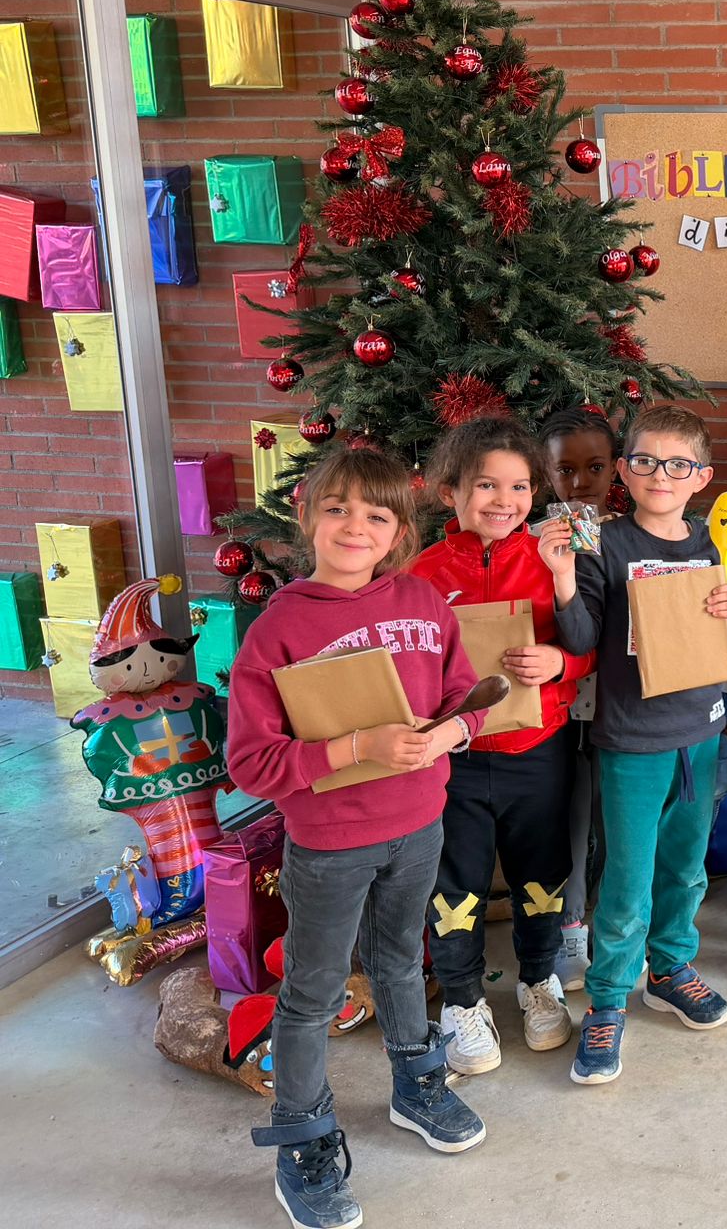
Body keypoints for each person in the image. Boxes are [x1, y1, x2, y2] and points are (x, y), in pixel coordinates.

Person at [225, 448, 489, 1229]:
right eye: (337, 508)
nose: (354, 526)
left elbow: (468, 697)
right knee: (312, 993)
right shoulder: (280, 628)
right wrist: (356, 748)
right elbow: (251, 763)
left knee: (402, 959)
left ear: (399, 532)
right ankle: (302, 1141)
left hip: (420, 825)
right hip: (329, 843)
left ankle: (415, 1084)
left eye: (376, 514)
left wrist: (449, 734)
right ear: (308, 516)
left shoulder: (423, 601)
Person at [550, 404, 727, 1084]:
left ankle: (669, 968)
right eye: (645, 461)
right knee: (628, 880)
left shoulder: (714, 542)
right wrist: (564, 577)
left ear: (702, 477)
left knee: (687, 868)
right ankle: (608, 1000)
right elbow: (580, 639)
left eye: (679, 464)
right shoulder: (605, 544)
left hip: (703, 733)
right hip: (633, 740)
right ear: (625, 471)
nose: (661, 475)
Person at [408, 417, 592, 1075]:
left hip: (537, 752)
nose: (503, 500)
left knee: (540, 875)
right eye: (486, 484)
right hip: (453, 762)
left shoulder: (551, 560)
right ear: (450, 492)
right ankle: (462, 1001)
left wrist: (559, 664)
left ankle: (538, 980)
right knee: (453, 884)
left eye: (518, 486)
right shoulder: (423, 574)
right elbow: (405, 661)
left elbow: (587, 645)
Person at [537, 406, 620, 991]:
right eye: (566, 470)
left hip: (618, 704)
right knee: (569, 819)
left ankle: (608, 922)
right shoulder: (534, 540)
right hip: (561, 705)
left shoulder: (632, 531)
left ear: (615, 468)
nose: (582, 481)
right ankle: (569, 926)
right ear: (547, 474)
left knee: (611, 821)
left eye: (595, 467)